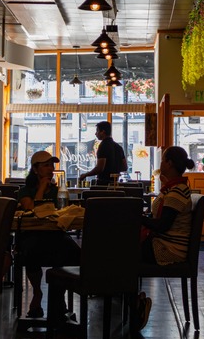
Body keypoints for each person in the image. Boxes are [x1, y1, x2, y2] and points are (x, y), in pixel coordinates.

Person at [17, 150, 81, 318]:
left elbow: (64, 212)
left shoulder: (57, 191)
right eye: (46, 165)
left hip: (55, 234)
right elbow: (30, 209)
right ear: (35, 169)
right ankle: (37, 292)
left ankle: (58, 301)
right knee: (31, 250)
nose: (51, 169)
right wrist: (42, 188)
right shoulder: (25, 190)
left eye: (52, 165)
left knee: (73, 252)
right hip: (32, 234)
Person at [138, 146, 195, 329]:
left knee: (122, 253)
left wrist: (137, 217)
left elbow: (163, 225)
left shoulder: (177, 191)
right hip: (164, 243)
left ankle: (134, 305)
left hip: (168, 249)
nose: (161, 163)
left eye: (163, 160)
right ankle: (132, 303)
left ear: (169, 163)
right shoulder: (174, 188)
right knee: (124, 249)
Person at [78, 121, 126, 186]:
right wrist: (114, 170)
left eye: (97, 131)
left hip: (103, 184)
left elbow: (100, 168)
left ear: (103, 132)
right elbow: (124, 167)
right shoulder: (118, 147)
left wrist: (85, 175)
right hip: (115, 184)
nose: (95, 133)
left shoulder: (103, 146)